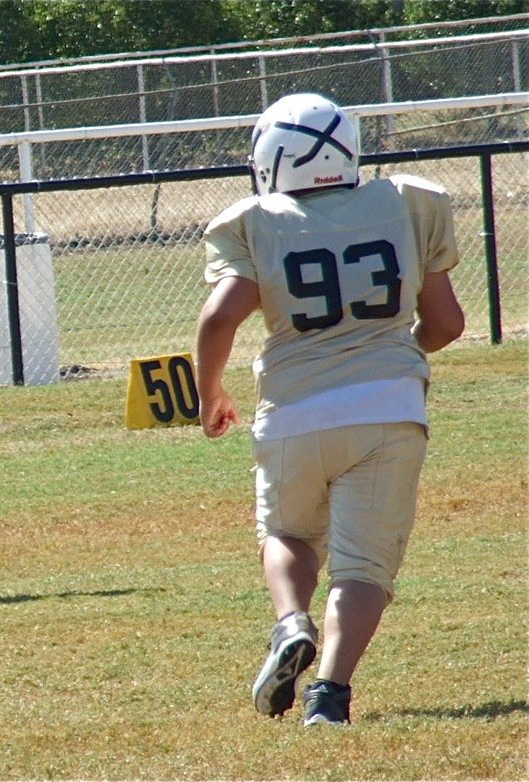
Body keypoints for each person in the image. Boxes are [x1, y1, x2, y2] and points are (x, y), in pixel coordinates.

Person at [194, 93, 465, 726]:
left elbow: (219, 318)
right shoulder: (406, 202)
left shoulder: (255, 221)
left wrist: (212, 394)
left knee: (288, 535)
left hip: (294, 410)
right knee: (364, 566)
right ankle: (330, 696)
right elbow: (447, 323)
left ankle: (291, 621)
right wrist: (398, 351)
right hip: (391, 408)